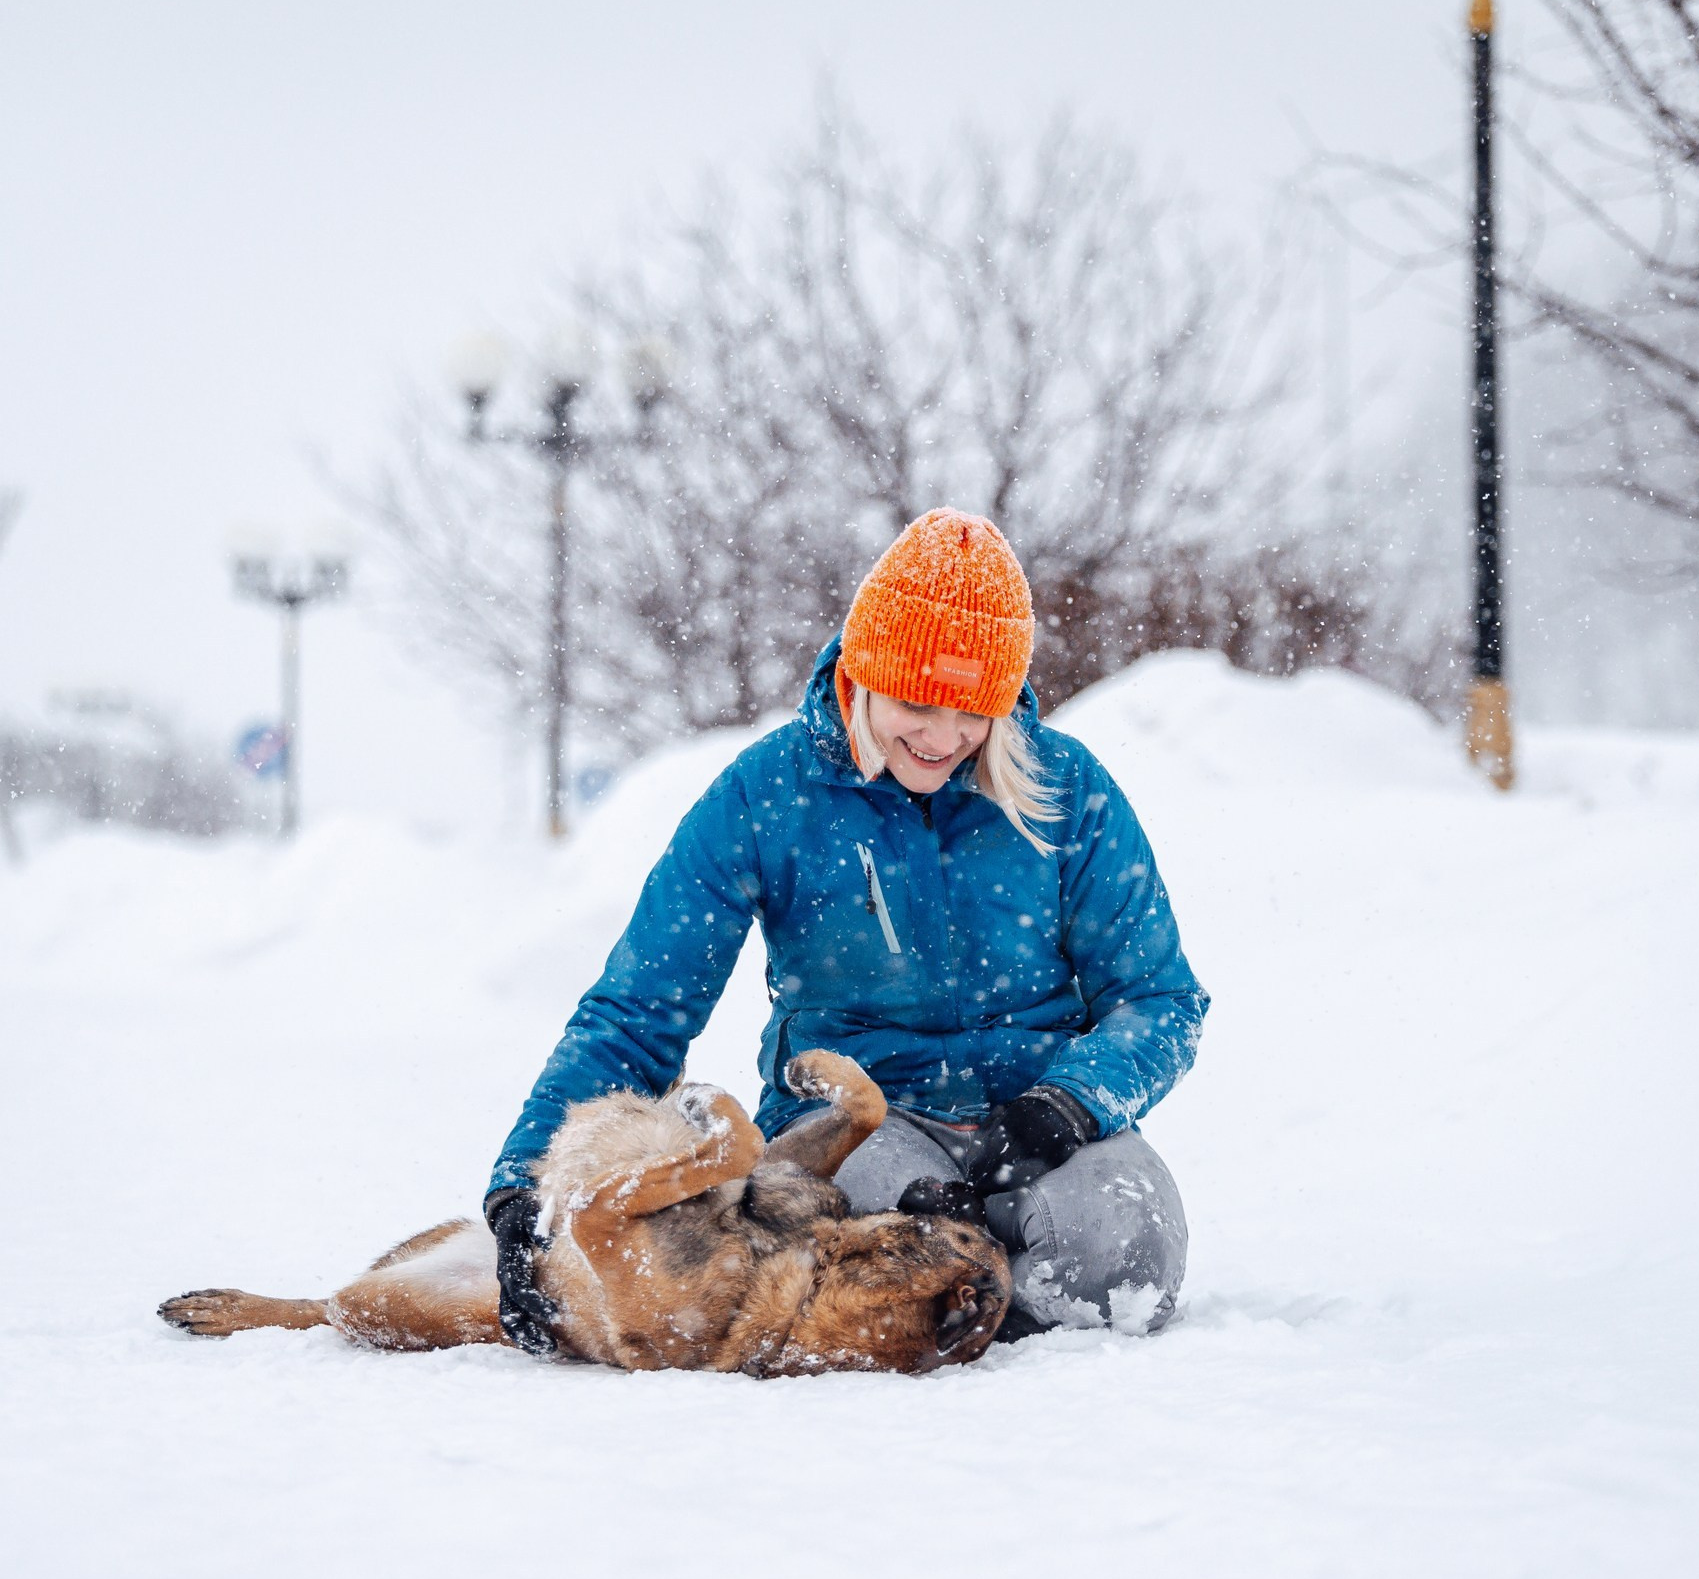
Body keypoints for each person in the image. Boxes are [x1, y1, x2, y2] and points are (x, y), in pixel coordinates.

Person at [485, 508, 1207, 1351]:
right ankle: (945, 1291)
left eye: (974, 711)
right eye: (917, 703)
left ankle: (969, 1288)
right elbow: (640, 1009)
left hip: (1041, 1120)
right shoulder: (767, 795)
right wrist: (524, 1194)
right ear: (865, 673)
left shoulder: (1069, 788)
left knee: (1133, 1250)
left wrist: (1067, 1105)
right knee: (853, 1229)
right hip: (863, 1124)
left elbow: (1160, 999)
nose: (944, 739)